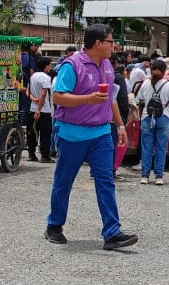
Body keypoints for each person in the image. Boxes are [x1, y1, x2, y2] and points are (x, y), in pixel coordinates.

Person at [44, 25, 137, 250]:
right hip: (72, 134)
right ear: (98, 43)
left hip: (101, 133)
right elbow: (58, 97)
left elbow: (110, 98)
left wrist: (120, 125)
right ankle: (54, 226)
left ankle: (112, 233)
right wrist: (87, 99)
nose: (113, 45)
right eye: (110, 41)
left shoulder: (107, 65)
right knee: (64, 181)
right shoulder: (72, 65)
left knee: (106, 181)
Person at [134, 58, 169, 185]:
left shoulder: (145, 83)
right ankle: (159, 176)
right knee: (161, 148)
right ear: (164, 71)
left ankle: (145, 176)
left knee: (146, 148)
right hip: (164, 117)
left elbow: (140, 100)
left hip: (147, 117)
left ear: (151, 69)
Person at [28, 57, 55, 163]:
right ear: (46, 66)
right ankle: (45, 156)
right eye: (49, 65)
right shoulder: (46, 77)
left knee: (32, 132)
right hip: (44, 110)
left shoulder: (33, 76)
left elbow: (28, 91)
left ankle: (31, 154)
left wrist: (33, 99)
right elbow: (43, 94)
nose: (50, 67)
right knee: (45, 134)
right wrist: (39, 109)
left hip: (32, 108)